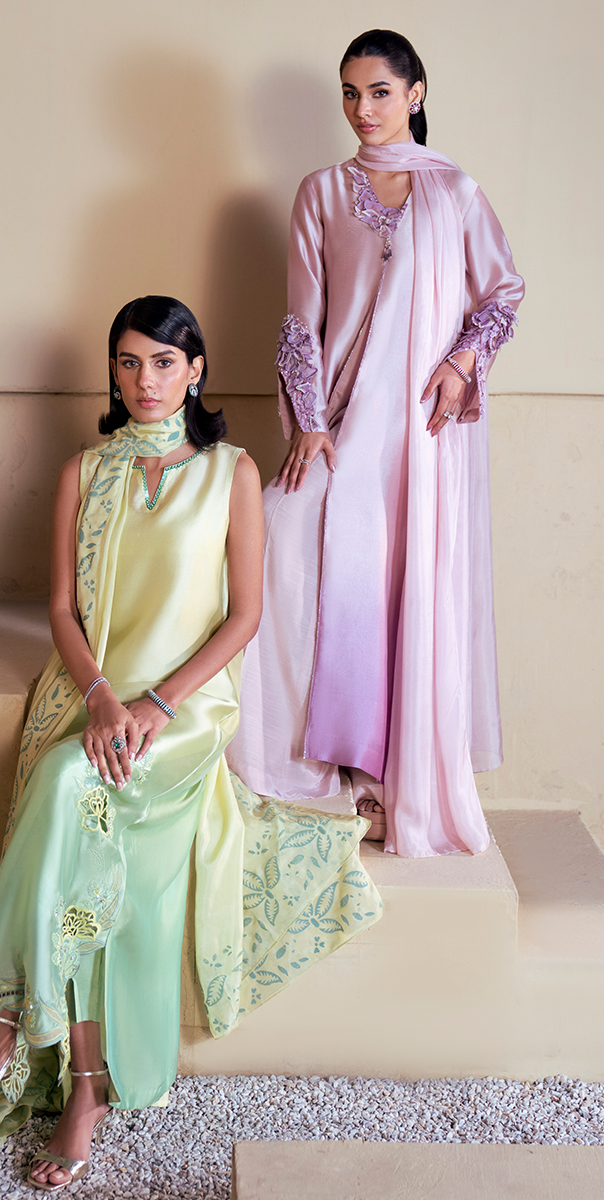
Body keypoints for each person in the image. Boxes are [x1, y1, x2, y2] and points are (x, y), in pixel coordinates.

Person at [0, 296, 382, 1192]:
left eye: (163, 362)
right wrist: (100, 699)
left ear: (196, 371)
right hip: (96, 695)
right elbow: (60, 610)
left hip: (185, 710)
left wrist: (156, 704)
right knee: (83, 813)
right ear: (112, 372)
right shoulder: (87, 471)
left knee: (68, 786)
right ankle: (83, 1088)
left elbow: (244, 617)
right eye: (128, 362)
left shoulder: (232, 472)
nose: (144, 380)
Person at [227, 30, 525, 859]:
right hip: (341, 423)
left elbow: (502, 292)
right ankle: (315, 768)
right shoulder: (321, 192)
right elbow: (302, 321)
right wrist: (311, 422)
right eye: (351, 93)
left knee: (400, 590)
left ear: (416, 94)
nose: (363, 109)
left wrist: (463, 363)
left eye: (380, 92)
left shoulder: (455, 191)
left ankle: (390, 784)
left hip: (420, 433)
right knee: (291, 554)